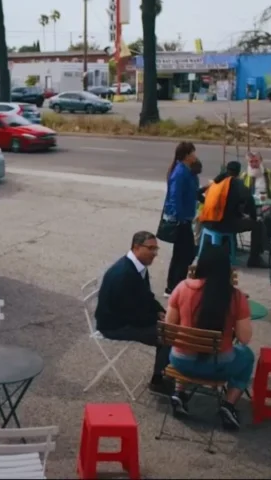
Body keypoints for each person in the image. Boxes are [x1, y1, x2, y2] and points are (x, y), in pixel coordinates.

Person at [166, 245, 255, 430]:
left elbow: (170, 327)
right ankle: (228, 405)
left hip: (180, 362)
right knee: (246, 355)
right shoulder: (236, 297)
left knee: (185, 344)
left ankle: (179, 393)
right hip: (217, 367)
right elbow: (244, 338)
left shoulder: (182, 288)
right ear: (227, 268)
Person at [95, 231, 173, 395]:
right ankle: (158, 381)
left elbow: (146, 297)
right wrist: (157, 321)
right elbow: (132, 315)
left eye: (156, 249)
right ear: (137, 247)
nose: (155, 254)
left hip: (126, 318)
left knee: (168, 328)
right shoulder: (125, 274)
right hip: (114, 325)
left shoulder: (137, 267)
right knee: (168, 335)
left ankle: (164, 374)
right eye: (151, 248)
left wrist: (160, 312)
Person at [200, 161, 268, 268]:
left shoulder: (216, 181)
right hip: (222, 224)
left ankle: (232, 248)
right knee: (257, 225)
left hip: (206, 222)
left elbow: (197, 193)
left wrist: (207, 202)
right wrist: (253, 217)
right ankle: (254, 259)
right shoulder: (235, 182)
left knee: (233, 217)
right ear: (238, 172)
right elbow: (249, 199)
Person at [162, 142, 199, 297]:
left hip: (185, 218)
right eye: (193, 153)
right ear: (187, 155)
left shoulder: (187, 171)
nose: (195, 156)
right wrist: (179, 217)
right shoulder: (180, 172)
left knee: (182, 253)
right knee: (185, 253)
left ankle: (173, 286)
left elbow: (191, 192)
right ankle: (174, 287)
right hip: (181, 220)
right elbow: (175, 196)